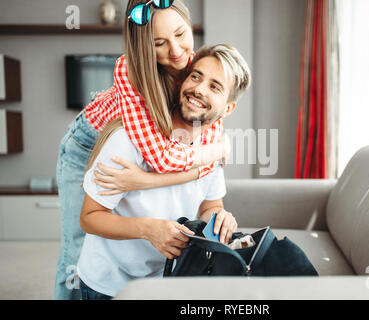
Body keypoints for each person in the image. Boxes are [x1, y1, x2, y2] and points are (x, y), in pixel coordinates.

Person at [54, 0, 227, 300]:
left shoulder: (198, 68)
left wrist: (210, 154)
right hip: (84, 143)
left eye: (181, 34)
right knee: (75, 249)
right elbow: (161, 158)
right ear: (145, 48)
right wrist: (206, 159)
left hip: (140, 149)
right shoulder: (131, 75)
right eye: (159, 43)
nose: (175, 51)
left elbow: (212, 128)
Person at [77, 44, 251, 299]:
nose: (199, 89)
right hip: (107, 285)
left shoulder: (212, 149)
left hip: (165, 282)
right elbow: (89, 217)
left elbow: (210, 205)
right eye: (196, 76)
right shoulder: (126, 140)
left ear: (227, 109)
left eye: (214, 86)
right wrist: (147, 229)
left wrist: (220, 216)